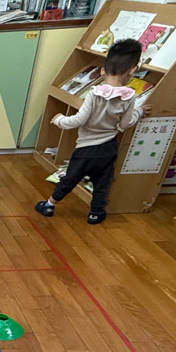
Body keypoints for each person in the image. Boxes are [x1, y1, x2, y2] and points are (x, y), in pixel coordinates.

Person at [35, 38, 148, 224]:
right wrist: (140, 112)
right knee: (102, 183)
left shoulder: (94, 93)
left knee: (70, 179)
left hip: (85, 149)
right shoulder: (130, 97)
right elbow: (125, 124)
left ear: (103, 70)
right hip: (108, 148)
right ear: (132, 70)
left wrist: (59, 120)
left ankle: (49, 205)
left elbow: (79, 120)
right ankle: (95, 213)